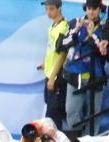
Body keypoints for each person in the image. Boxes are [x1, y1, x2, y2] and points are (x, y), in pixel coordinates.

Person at [57, 0, 107, 135]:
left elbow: (104, 51)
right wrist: (76, 30)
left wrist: (91, 35)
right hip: (75, 74)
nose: (91, 11)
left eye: (94, 8)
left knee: (93, 113)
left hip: (95, 75)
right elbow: (62, 44)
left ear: (100, 9)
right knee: (71, 112)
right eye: (89, 8)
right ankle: (77, 139)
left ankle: (90, 141)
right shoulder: (75, 22)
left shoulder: (105, 26)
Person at [39, 0, 69, 130]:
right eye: (46, 9)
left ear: (59, 9)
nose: (48, 12)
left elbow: (62, 54)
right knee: (49, 105)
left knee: (53, 113)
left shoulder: (63, 27)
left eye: (51, 9)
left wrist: (52, 77)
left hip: (56, 76)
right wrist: (45, 62)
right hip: (49, 73)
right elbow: (51, 48)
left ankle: (55, 140)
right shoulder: (52, 26)